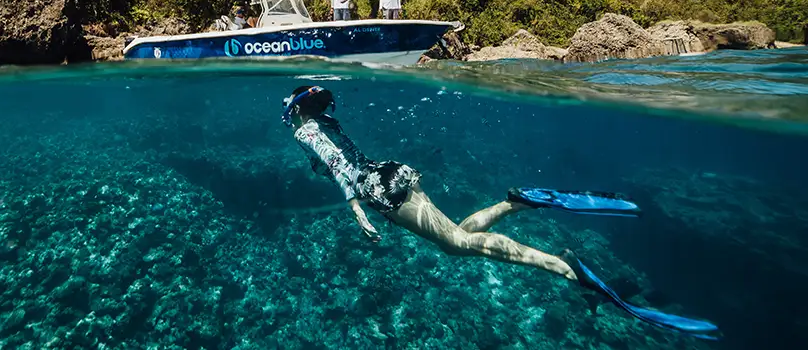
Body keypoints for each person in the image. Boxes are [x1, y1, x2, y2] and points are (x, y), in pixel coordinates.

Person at [282, 85, 721, 340]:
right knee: (455, 237)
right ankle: (516, 201)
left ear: (298, 109)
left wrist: (356, 208)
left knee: (457, 244)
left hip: (376, 188)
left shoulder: (306, 130)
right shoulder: (329, 121)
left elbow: (338, 166)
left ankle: (565, 267)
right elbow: (346, 155)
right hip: (389, 171)